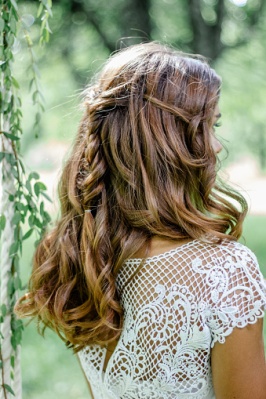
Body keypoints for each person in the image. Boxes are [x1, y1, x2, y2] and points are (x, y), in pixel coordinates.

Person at [15, 42, 266, 399]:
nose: (217, 146)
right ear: (166, 145)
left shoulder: (80, 254)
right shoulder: (225, 273)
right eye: (205, 128)